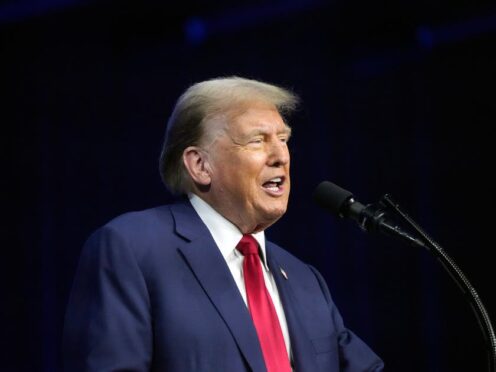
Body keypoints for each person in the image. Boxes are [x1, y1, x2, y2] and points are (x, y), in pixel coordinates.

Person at [63, 76, 384, 371]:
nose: (281, 156)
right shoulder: (132, 250)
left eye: (283, 139)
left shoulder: (305, 280)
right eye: (257, 141)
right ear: (200, 165)